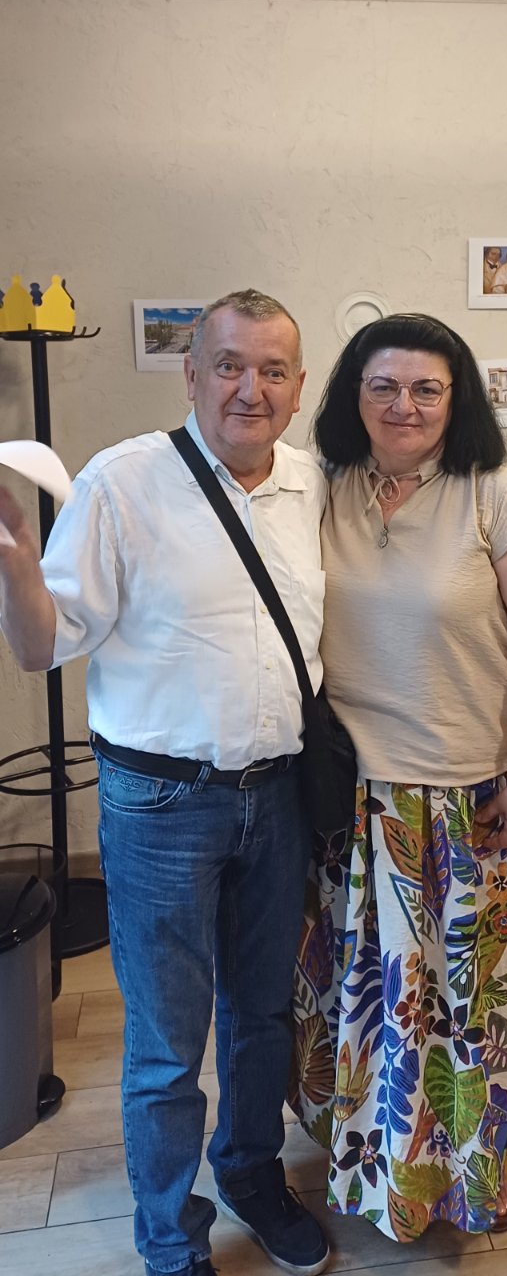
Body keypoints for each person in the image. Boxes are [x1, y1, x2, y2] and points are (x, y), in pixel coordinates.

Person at [0, 289, 330, 1276]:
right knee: (164, 1042)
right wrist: (17, 567)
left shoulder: (312, 484)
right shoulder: (122, 481)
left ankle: (252, 1173)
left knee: (263, 1015)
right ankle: (167, 1234)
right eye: (228, 365)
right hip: (160, 806)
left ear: (299, 386)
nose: (250, 388)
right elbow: (42, 647)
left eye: (272, 369)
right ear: (191, 375)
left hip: (279, 794)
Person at [291, 312, 507, 1244]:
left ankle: (475, 1174)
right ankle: (377, 1163)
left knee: (461, 1009)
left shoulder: (497, 495)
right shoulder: (322, 488)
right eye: (383, 386)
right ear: (354, 396)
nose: (403, 404)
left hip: (460, 802)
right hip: (347, 798)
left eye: (426, 388)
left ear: (458, 400)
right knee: (371, 1003)